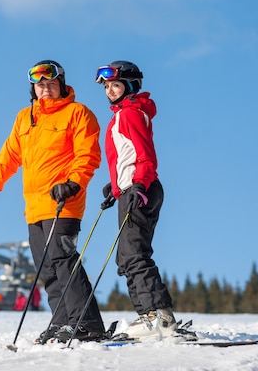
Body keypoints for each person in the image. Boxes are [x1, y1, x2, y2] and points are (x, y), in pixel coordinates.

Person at [0, 60, 106, 343]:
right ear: (33, 88)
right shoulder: (25, 118)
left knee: (63, 260)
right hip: (34, 208)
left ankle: (88, 324)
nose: (46, 89)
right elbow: (9, 155)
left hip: (63, 202)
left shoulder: (77, 113)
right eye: (40, 85)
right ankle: (62, 323)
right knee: (46, 267)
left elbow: (88, 155)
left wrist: (73, 183)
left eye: (51, 84)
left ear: (61, 85)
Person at [95, 60, 176, 338]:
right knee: (127, 256)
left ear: (130, 86)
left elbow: (145, 155)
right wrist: (115, 187)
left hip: (141, 188)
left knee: (135, 253)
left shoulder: (129, 114)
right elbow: (127, 157)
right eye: (107, 86)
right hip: (132, 187)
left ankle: (159, 316)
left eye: (115, 85)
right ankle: (149, 316)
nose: (110, 91)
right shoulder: (123, 115)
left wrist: (137, 185)